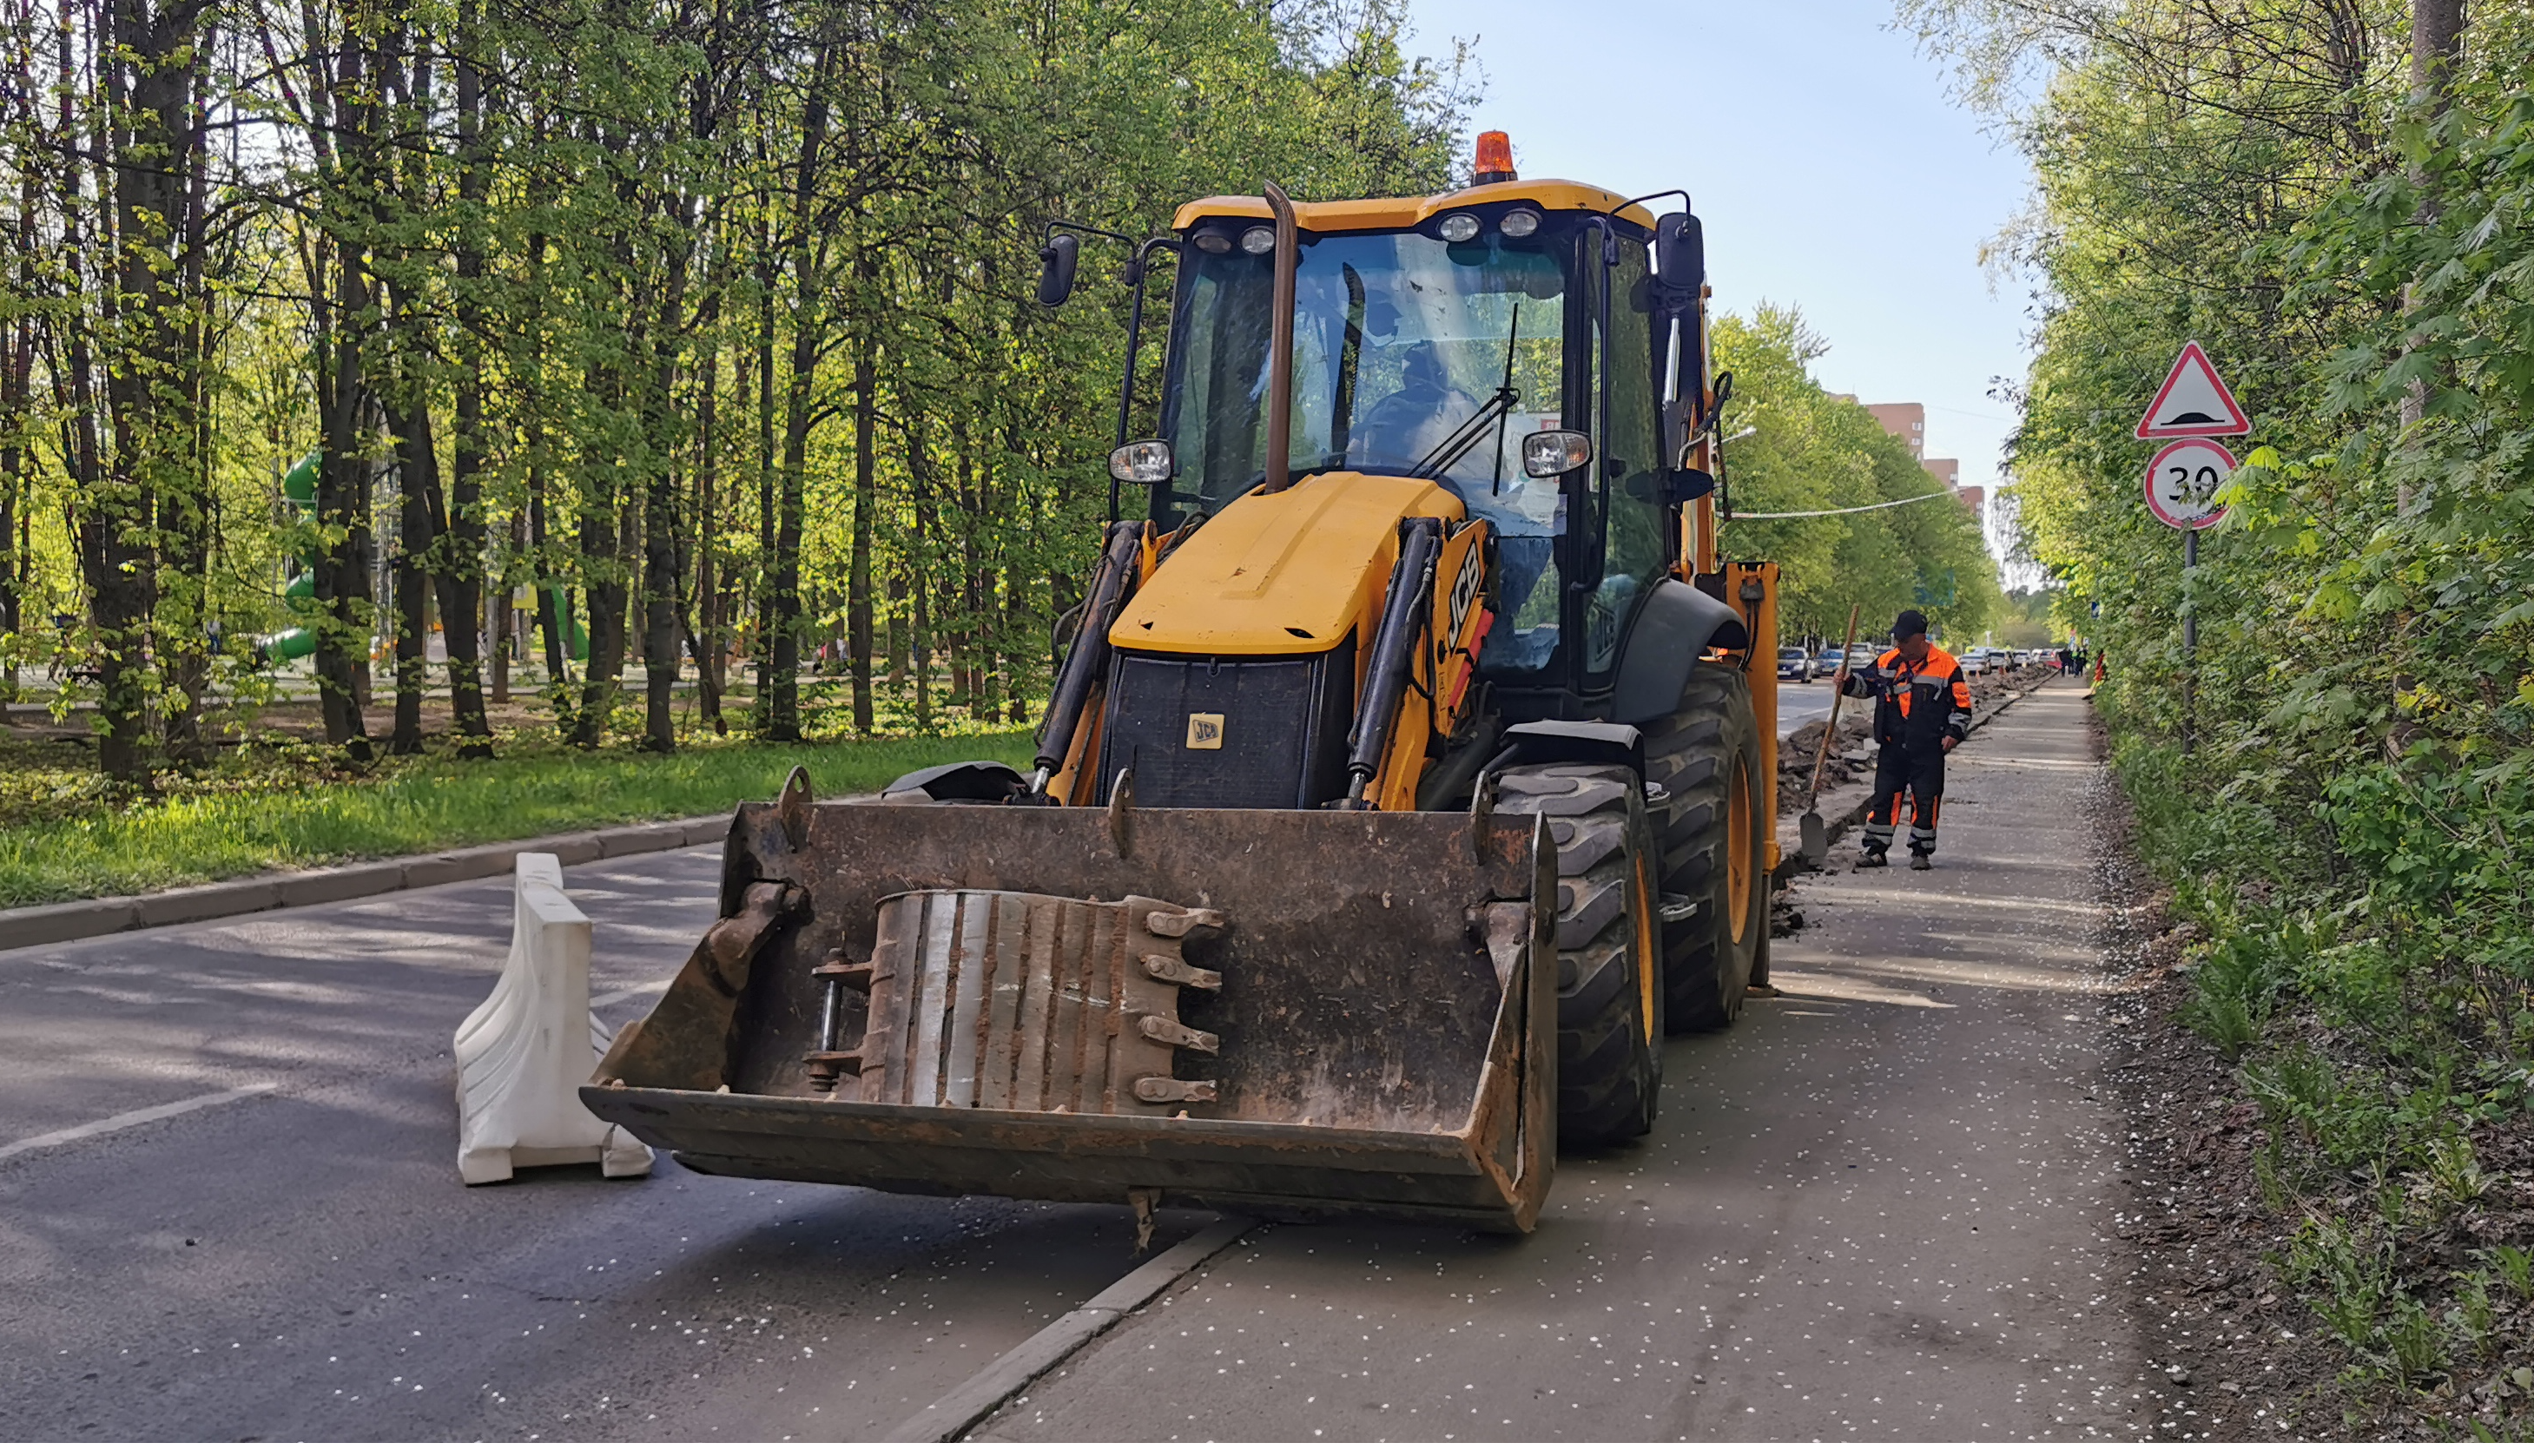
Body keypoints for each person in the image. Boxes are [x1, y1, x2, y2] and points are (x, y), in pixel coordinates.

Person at [1834, 609, 1972, 871]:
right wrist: (1848, 681)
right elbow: (1866, 685)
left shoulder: (1946, 666)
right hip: (1892, 745)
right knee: (1884, 797)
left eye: (1904, 640)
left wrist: (1954, 733)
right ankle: (1875, 849)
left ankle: (1921, 851)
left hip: (1928, 748)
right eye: (1897, 639)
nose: (1899, 645)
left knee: (1926, 799)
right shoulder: (1888, 662)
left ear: (1921, 639)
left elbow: (1962, 707)